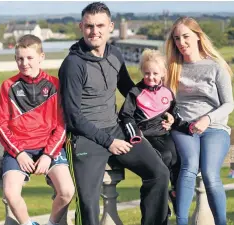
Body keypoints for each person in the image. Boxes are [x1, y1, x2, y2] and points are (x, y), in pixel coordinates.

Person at [58, 2, 171, 225]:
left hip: (116, 129)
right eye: (89, 26)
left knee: (159, 173)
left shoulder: (115, 54)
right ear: (81, 26)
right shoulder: (73, 64)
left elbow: (130, 90)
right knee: (88, 202)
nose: (94, 31)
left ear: (110, 26)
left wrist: (164, 111)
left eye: (100, 25)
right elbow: (72, 117)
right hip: (85, 137)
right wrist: (109, 142)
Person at [0, 34, 75, 225]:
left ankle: (51, 223)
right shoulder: (9, 86)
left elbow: (62, 125)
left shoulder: (55, 85)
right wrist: (19, 153)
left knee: (66, 192)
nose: (24, 63)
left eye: (29, 58)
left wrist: (48, 155)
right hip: (18, 149)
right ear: (15, 59)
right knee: (10, 193)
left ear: (41, 57)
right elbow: (1, 125)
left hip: (49, 147)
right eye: (20, 58)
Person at [165, 16, 234, 225]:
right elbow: (165, 101)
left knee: (211, 174)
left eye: (186, 36)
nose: (181, 42)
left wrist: (207, 118)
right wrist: (168, 116)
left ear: (198, 36)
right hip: (184, 128)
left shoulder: (215, 67)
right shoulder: (173, 68)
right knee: (189, 166)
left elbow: (229, 104)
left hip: (214, 127)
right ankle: (182, 222)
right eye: (177, 38)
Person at [119, 49, 180, 215]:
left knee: (176, 156)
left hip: (163, 134)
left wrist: (172, 120)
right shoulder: (136, 93)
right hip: (146, 137)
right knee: (163, 158)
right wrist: (135, 136)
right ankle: (160, 202)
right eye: (146, 73)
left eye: (155, 73)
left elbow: (174, 112)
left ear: (163, 73)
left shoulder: (167, 92)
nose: (150, 77)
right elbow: (125, 116)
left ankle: (174, 192)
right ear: (142, 72)